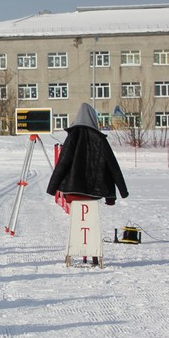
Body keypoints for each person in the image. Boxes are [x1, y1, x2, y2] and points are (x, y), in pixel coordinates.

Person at [45, 103, 129, 266]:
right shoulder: (100, 139)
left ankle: (78, 253)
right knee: (90, 222)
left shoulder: (72, 137)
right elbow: (112, 168)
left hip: (73, 192)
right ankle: (94, 257)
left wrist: (52, 188)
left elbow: (63, 163)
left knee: (78, 222)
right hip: (94, 192)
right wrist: (115, 194)